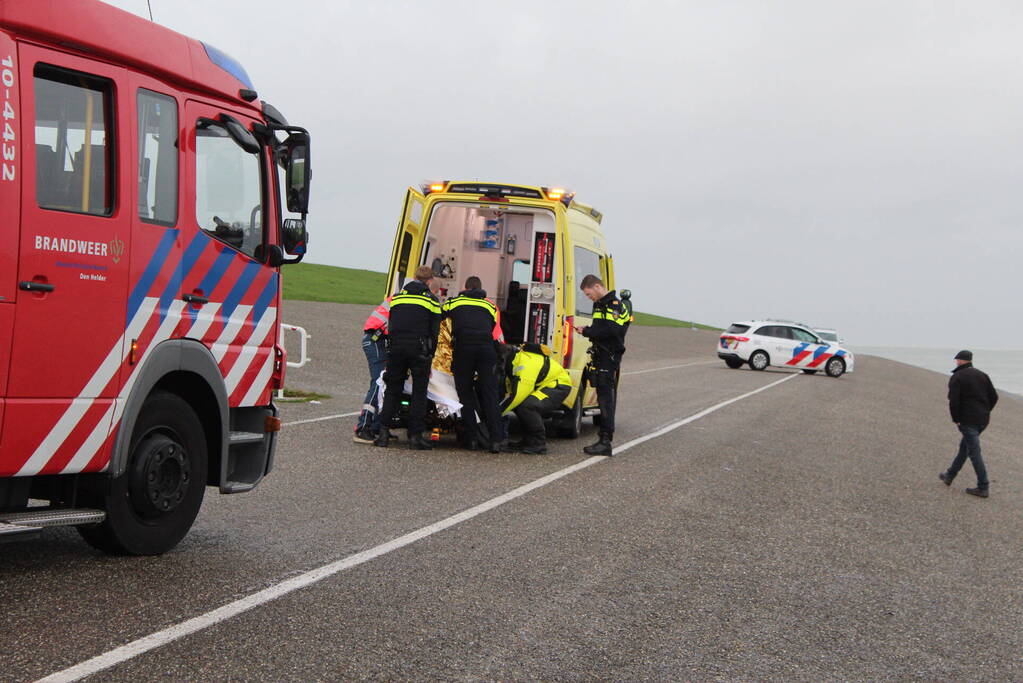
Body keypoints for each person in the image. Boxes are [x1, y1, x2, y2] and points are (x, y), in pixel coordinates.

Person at [374, 266, 441, 450]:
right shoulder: (431, 300)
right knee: (419, 392)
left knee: (393, 390)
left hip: (396, 348)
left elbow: (392, 323)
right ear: (429, 281)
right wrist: (430, 355)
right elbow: (435, 331)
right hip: (419, 350)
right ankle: (415, 436)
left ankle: (383, 433)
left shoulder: (397, 298)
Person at [442, 276, 508, 452]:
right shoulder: (491, 306)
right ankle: (496, 440)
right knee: (490, 395)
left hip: (464, 349)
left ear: (465, 287)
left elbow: (440, 317)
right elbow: (494, 327)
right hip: (486, 350)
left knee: (465, 395)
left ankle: (471, 438)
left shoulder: (453, 302)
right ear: (480, 288)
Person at [574, 274, 632, 456]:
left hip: (610, 356)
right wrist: (589, 331)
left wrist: (588, 331)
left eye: (589, 294)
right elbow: (601, 328)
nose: (588, 297)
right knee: (601, 396)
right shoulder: (599, 305)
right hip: (601, 354)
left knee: (606, 399)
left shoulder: (614, 305)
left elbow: (612, 330)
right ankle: (603, 439)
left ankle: (606, 441)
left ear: (598, 287)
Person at [940, 350, 998, 498]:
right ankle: (949, 475)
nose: (956, 362)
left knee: (974, 452)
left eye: (957, 360)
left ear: (959, 361)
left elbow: (954, 401)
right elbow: (994, 397)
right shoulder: (982, 375)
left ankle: (983, 486)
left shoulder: (957, 376)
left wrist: (956, 418)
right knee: (964, 448)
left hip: (967, 420)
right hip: (983, 419)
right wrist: (986, 410)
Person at [500, 343, 572, 455]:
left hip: (558, 387)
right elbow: (510, 391)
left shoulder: (525, 364)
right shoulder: (515, 361)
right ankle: (529, 441)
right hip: (548, 386)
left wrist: (498, 413)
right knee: (521, 406)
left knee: (527, 406)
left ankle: (539, 444)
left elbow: (518, 395)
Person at [353, 295, 391, 444]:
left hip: (376, 339)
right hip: (375, 339)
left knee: (384, 383)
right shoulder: (402, 301)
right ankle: (363, 427)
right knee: (378, 382)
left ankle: (376, 426)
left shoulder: (399, 297)